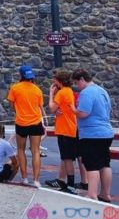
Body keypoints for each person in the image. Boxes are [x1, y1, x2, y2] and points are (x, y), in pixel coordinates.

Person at [72, 68, 114, 202]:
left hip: (92, 133)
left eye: (77, 83)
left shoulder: (86, 92)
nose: (77, 86)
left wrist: (73, 109)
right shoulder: (102, 91)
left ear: (82, 79)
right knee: (104, 164)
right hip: (106, 132)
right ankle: (105, 194)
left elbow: (84, 113)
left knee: (92, 165)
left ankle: (92, 194)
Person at [7, 65, 45, 186]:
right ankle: (36, 180)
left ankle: (24, 178)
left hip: (21, 122)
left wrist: (18, 111)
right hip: (35, 122)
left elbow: (12, 104)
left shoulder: (15, 88)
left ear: (21, 75)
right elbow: (39, 106)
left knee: (21, 150)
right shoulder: (37, 90)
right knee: (36, 151)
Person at [44, 69, 78, 192]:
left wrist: (51, 94)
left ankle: (71, 185)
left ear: (59, 81)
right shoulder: (69, 91)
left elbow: (52, 107)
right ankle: (64, 182)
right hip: (69, 128)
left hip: (65, 130)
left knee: (67, 158)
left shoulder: (62, 92)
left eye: (55, 80)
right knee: (66, 157)